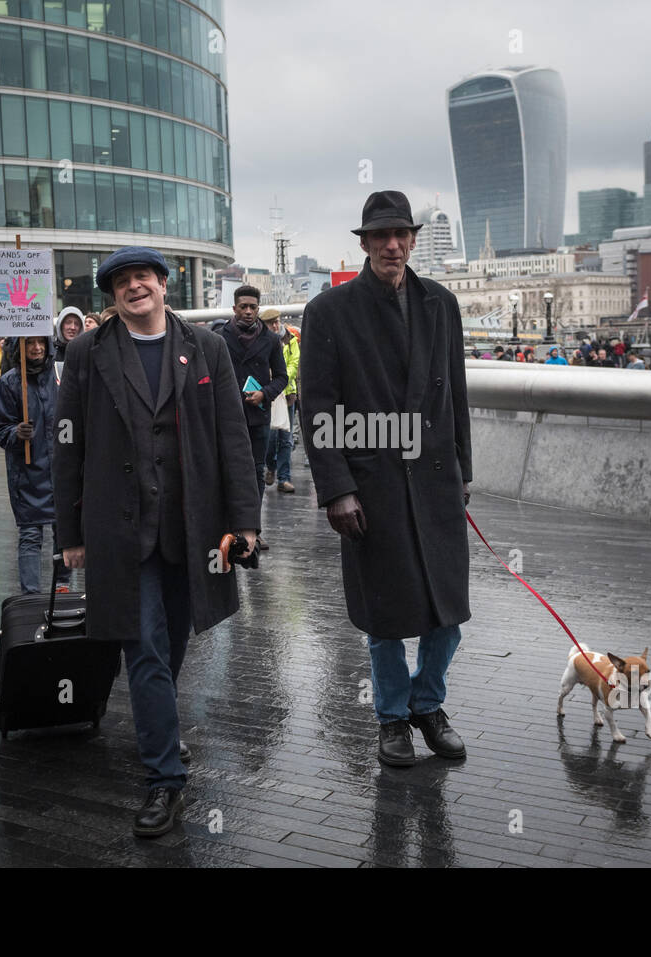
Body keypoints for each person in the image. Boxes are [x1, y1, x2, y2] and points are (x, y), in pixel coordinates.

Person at [52, 245, 260, 838]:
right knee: (142, 645)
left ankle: (160, 726)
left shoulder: (207, 349)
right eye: (121, 282)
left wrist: (245, 524)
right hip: (119, 532)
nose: (134, 287)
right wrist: (69, 533)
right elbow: (67, 444)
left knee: (170, 643)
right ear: (112, 296)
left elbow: (233, 442)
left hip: (192, 528)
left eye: (143, 277)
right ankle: (163, 779)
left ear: (163, 285)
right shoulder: (87, 352)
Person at [300, 190, 473, 769]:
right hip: (371, 486)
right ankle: (392, 719)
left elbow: (457, 395)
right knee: (385, 615)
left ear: (413, 240)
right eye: (381, 236)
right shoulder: (330, 312)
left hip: (437, 480)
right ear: (365, 243)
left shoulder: (441, 304)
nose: (392, 245)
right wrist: (337, 489)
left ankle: (428, 704)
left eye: (401, 235)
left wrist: (463, 472)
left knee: (447, 611)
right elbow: (318, 406)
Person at [0, 335, 70, 594]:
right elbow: (0, 430)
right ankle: (31, 594)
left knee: (64, 531)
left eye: (40, 342)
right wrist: (16, 433)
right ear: (19, 347)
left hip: (61, 470)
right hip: (26, 471)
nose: (36, 348)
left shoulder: (61, 375)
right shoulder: (9, 382)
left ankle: (63, 585)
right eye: (29, 343)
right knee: (30, 534)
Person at [218, 286, 287, 551]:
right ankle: (228, 526)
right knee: (227, 470)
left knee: (256, 471)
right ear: (234, 308)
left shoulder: (269, 340)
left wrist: (264, 394)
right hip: (227, 416)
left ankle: (252, 529)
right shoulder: (219, 337)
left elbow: (282, 376)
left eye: (253, 307)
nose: (248, 311)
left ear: (258, 309)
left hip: (257, 417)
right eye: (243, 306)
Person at [262, 308, 300, 494]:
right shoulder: (261, 341)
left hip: (287, 396)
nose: (276, 326)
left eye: (277, 322)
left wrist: (281, 378)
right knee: (270, 439)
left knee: (286, 439)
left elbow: (294, 364)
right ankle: (271, 466)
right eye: (271, 323)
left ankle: (284, 478)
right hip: (269, 396)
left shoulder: (290, 339)